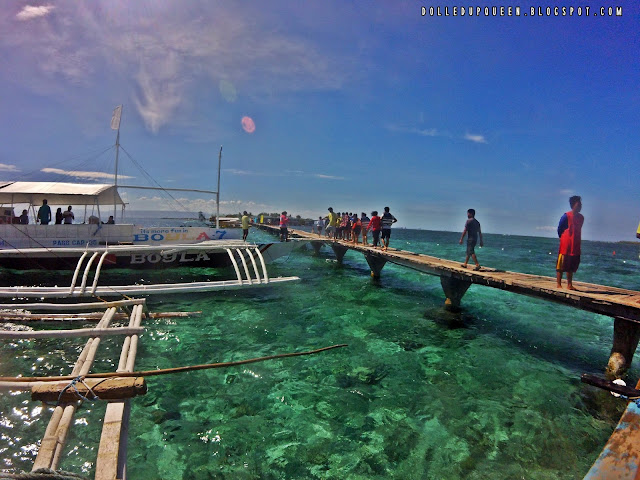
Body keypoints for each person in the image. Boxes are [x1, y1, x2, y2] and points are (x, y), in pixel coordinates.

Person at [556, 195, 584, 290]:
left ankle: (569, 285)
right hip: (566, 244)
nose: (580, 206)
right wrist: (563, 238)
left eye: (580, 204)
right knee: (561, 264)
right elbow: (560, 229)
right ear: (573, 205)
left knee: (571, 265)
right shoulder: (566, 216)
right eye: (578, 204)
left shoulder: (581, 218)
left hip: (575, 244)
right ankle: (559, 284)